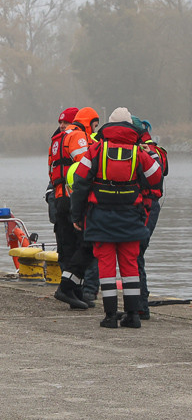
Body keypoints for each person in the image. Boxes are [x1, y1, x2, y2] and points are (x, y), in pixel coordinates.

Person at [70, 108, 162, 328]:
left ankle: (110, 317)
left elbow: (80, 182)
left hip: (100, 217)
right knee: (130, 267)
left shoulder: (95, 150)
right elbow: (156, 177)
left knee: (106, 268)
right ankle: (133, 315)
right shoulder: (139, 152)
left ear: (109, 126)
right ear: (130, 126)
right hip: (131, 217)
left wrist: (77, 214)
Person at [48, 107, 99, 310]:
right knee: (86, 245)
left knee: (67, 247)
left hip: (59, 197)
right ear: (88, 123)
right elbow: (85, 167)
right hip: (73, 198)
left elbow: (51, 169)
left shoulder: (57, 139)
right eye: (94, 126)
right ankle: (68, 288)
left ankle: (75, 294)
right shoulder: (78, 137)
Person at [132, 116, 168, 319]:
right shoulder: (156, 150)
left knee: (136, 252)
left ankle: (141, 306)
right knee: (136, 254)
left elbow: (156, 175)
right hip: (147, 206)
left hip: (147, 206)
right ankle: (140, 304)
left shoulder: (147, 151)